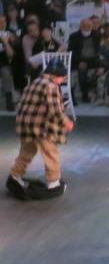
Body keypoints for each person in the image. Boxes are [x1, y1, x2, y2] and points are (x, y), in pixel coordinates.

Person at [6, 61, 73, 200]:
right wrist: (66, 122)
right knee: (51, 152)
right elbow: (55, 110)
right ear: (55, 76)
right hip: (41, 126)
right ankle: (53, 182)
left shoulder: (35, 82)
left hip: (25, 124)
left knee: (27, 151)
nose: (63, 80)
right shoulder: (51, 87)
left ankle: (15, 175)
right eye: (62, 77)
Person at [67, 18, 102, 103]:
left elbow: (100, 51)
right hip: (79, 61)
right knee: (81, 70)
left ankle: (97, 96)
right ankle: (84, 95)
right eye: (84, 26)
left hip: (94, 61)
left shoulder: (97, 35)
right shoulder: (74, 36)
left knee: (101, 69)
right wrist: (79, 61)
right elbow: (71, 52)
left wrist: (101, 65)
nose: (87, 28)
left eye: (89, 26)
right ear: (80, 26)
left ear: (92, 26)